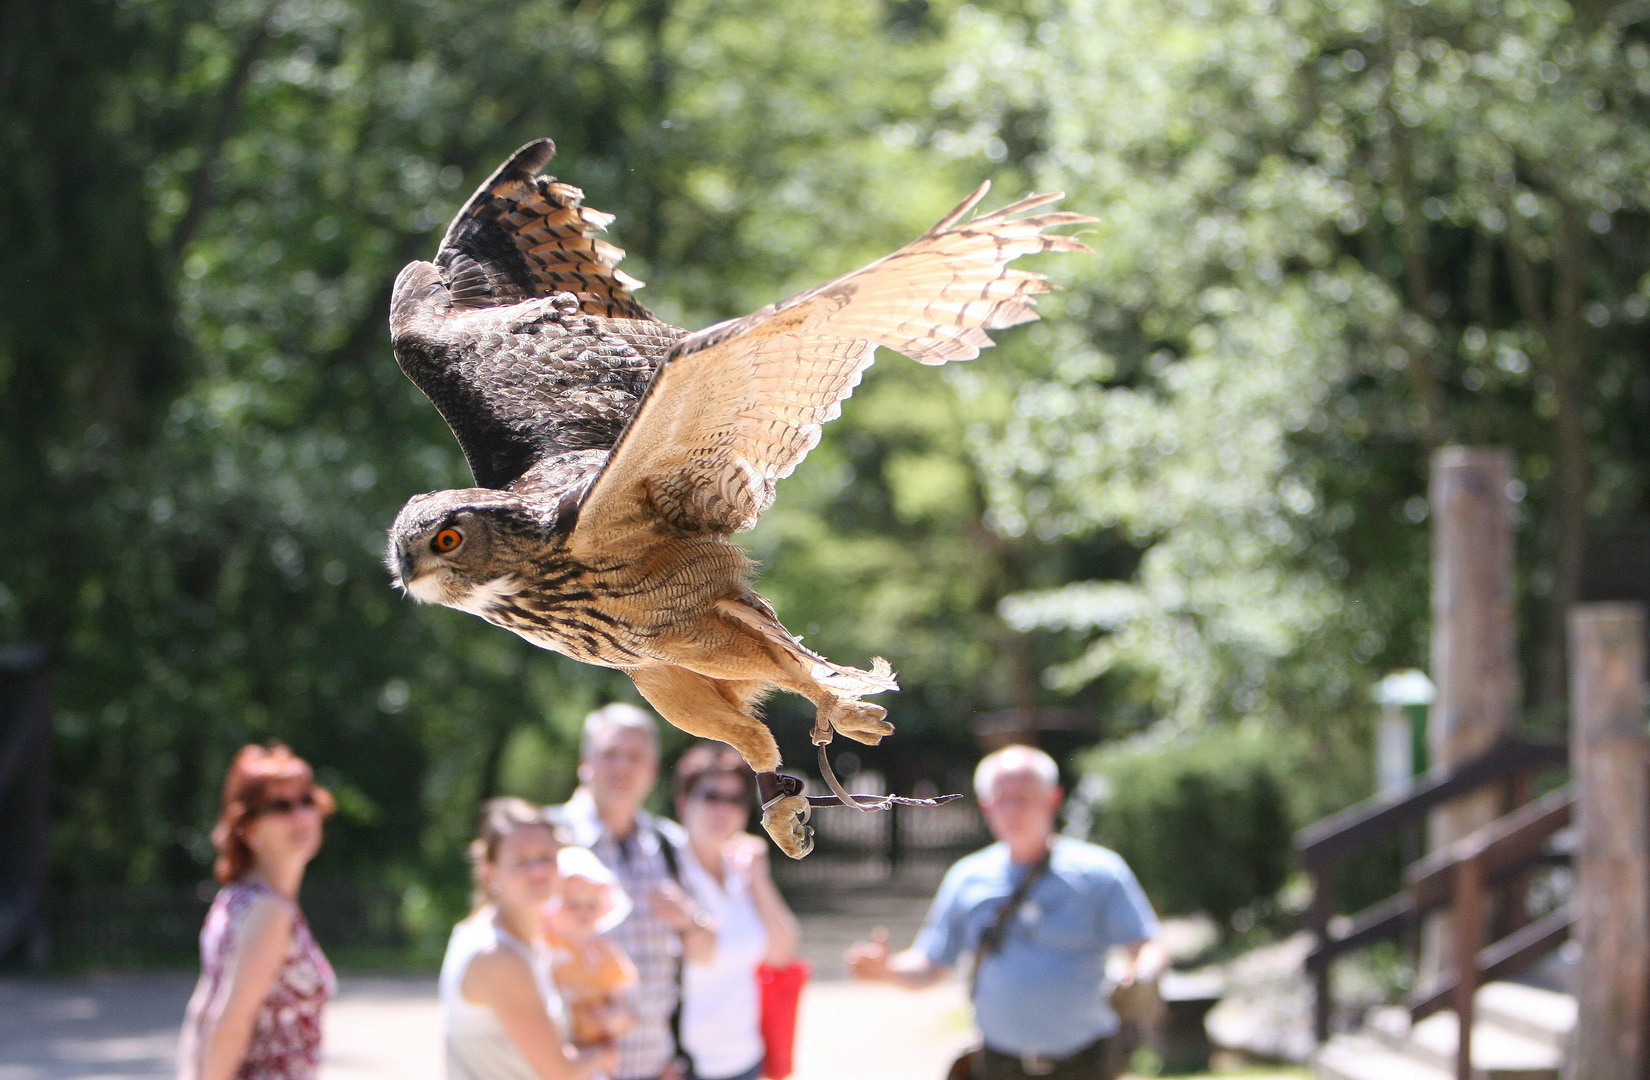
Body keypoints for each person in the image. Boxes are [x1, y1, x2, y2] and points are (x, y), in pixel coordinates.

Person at [846, 745, 1162, 1080]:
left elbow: (1147, 943)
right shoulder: (967, 878)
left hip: (1088, 1063)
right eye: (1002, 799)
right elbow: (932, 963)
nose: (1012, 810)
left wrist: (1142, 974)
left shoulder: (1099, 872)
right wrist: (887, 970)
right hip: (998, 1065)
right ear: (986, 806)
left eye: (1023, 797)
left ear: (1052, 799)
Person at [550, 705, 713, 1080]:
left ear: (653, 771)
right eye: (610, 754)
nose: (621, 766)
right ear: (585, 763)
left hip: (656, 1068)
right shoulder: (547, 842)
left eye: (635, 757)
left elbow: (709, 953)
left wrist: (691, 921)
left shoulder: (671, 845)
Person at [178, 743, 338, 1080]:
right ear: (248, 828)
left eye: (307, 800)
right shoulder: (270, 912)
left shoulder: (236, 899)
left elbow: (199, 1013)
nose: (300, 815)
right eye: (280, 806)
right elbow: (227, 1028)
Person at [441, 797, 615, 1080]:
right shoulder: (496, 956)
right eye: (521, 861)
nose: (537, 871)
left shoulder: (526, 939)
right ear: (490, 871)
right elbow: (559, 1072)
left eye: (545, 857)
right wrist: (603, 1052)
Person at [672, 743, 801, 1080]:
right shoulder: (668, 869)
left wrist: (759, 879)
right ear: (684, 803)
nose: (723, 810)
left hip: (745, 1061)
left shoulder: (741, 870)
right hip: (682, 1065)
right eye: (711, 797)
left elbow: (782, 951)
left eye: (735, 800)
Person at [545, 845, 639, 1051]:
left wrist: (611, 1018)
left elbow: (626, 1011)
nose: (583, 914)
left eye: (591, 906)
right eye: (573, 905)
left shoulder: (604, 954)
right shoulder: (539, 947)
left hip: (590, 1055)